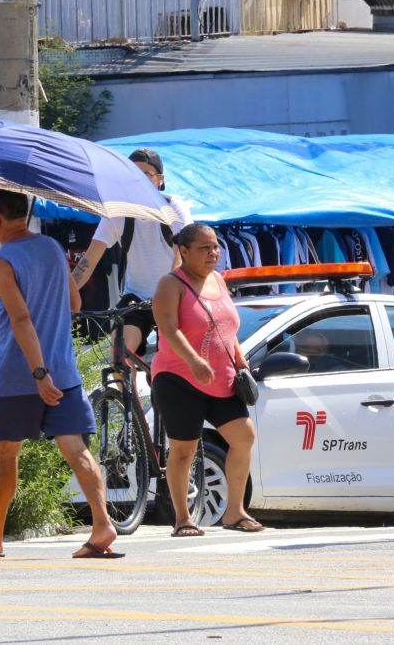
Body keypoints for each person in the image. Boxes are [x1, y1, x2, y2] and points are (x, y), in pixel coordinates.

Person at [0, 188, 122, 559]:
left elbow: (20, 318)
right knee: (76, 449)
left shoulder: (2, 262)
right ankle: (102, 524)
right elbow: (74, 303)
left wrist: (37, 372)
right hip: (63, 369)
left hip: (19, 375)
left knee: (6, 454)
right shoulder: (51, 247)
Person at [152, 224, 261, 536]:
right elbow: (168, 329)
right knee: (184, 448)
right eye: (204, 248)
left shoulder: (218, 280)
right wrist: (194, 360)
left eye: (215, 247)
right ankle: (183, 518)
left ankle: (235, 511)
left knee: (244, 437)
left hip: (222, 378)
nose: (213, 253)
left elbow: (226, 328)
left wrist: (240, 361)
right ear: (183, 252)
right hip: (179, 378)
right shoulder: (170, 285)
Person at [72, 148, 191, 358]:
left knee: (173, 359)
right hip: (136, 297)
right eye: (132, 175)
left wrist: (169, 294)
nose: (138, 181)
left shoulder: (173, 207)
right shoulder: (117, 214)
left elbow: (181, 256)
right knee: (119, 355)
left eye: (145, 175)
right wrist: (64, 299)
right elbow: (88, 261)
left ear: (160, 179)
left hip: (174, 294)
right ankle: (127, 391)